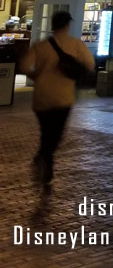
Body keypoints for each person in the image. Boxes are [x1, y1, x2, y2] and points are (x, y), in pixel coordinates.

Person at [20, 11, 94, 186]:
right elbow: (90, 64)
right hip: (63, 97)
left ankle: (45, 160)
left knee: (46, 131)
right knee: (56, 134)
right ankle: (45, 159)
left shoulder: (41, 46)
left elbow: (23, 66)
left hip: (42, 97)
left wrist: (36, 75)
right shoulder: (76, 44)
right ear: (67, 25)